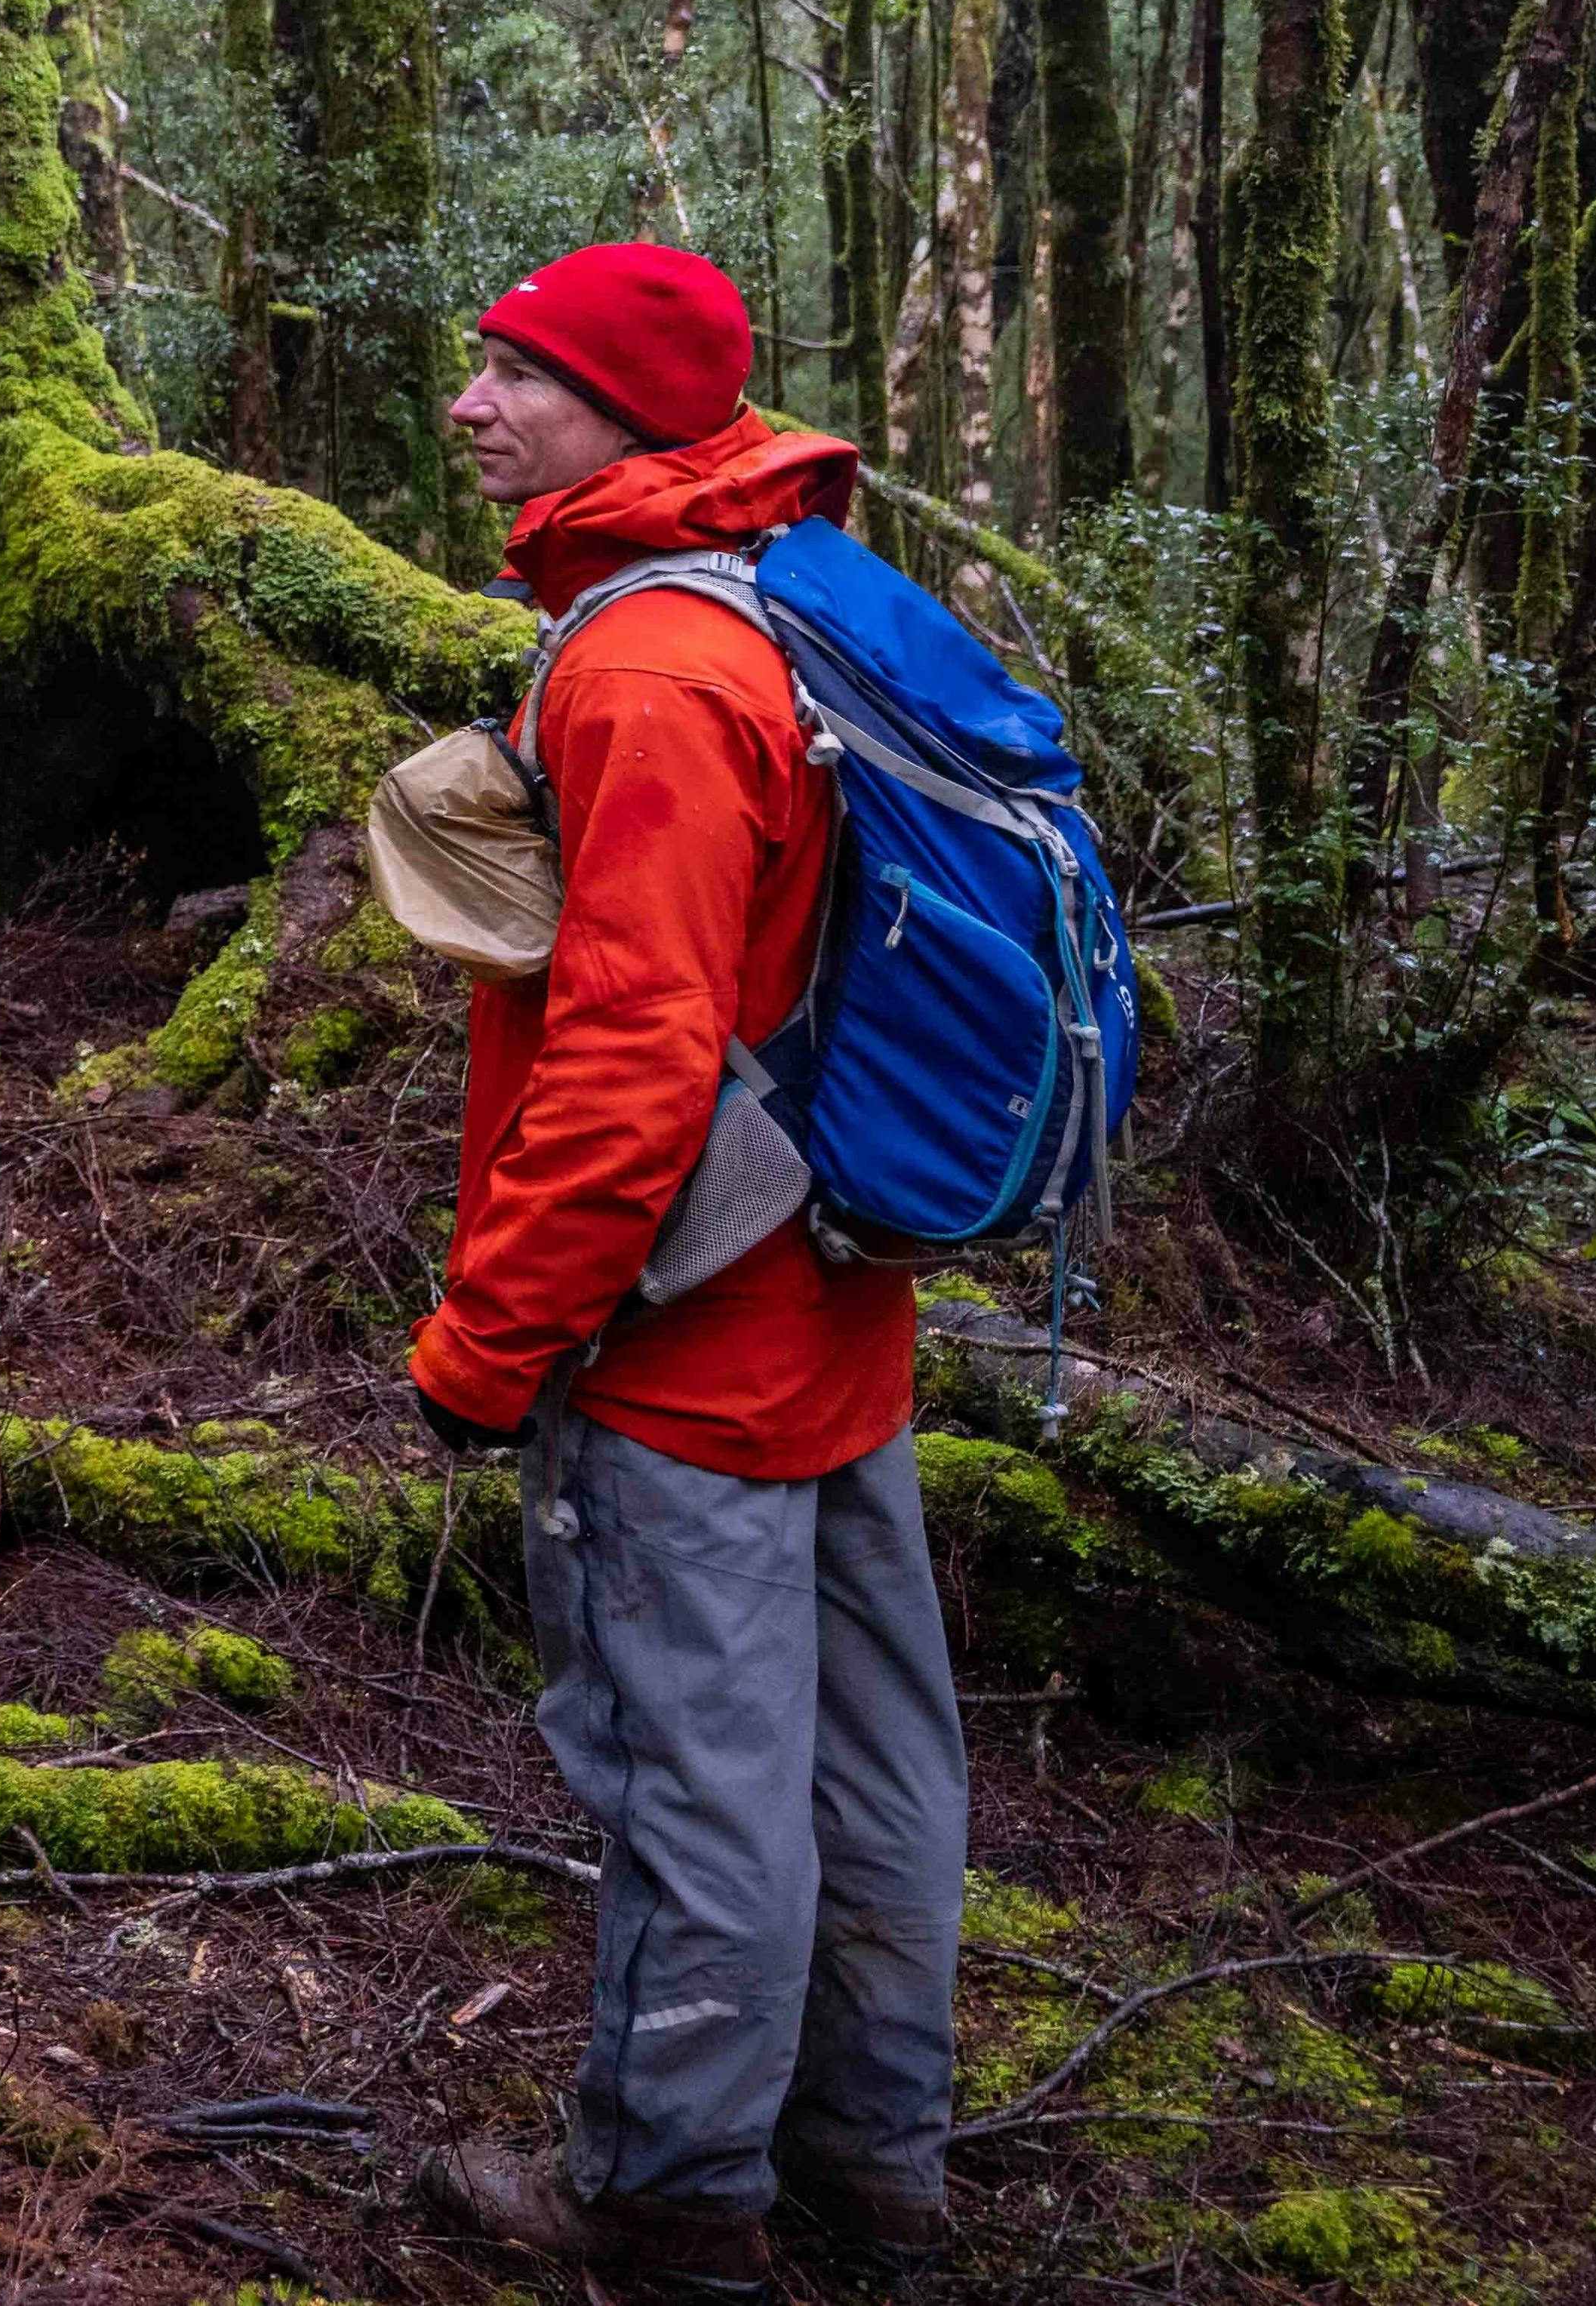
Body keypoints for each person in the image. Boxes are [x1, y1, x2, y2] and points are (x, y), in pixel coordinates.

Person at [405, 242, 960, 2301]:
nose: (471, 402)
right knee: (874, 1762)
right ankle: (874, 2163)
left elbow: (633, 1060)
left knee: (701, 1782)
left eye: (515, 373)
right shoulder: (784, 593)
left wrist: (489, 1338)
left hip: (683, 1341)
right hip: (838, 1297)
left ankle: (668, 2194)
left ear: (626, 409)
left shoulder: (648, 668)